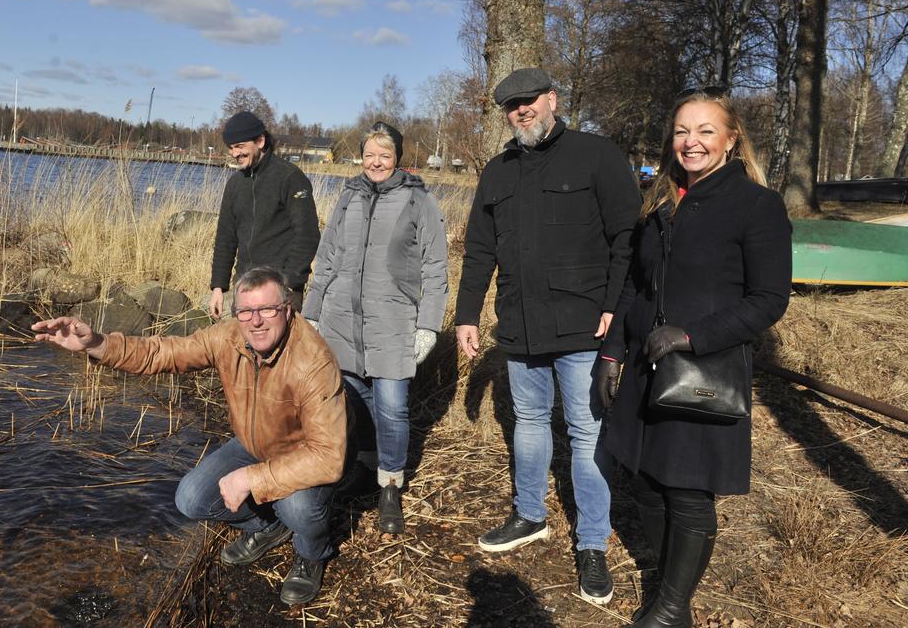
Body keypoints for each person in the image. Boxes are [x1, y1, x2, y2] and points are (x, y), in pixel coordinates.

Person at [32, 266, 346, 606]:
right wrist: (95, 343)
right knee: (191, 498)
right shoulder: (228, 337)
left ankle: (312, 552)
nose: (256, 321)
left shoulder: (313, 363)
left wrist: (251, 478)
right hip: (253, 444)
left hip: (302, 455)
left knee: (299, 508)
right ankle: (268, 528)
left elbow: (328, 457)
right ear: (236, 313)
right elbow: (163, 353)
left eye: (267, 309)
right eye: (245, 311)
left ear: (287, 310)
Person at [596, 88, 791, 627]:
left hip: (702, 370)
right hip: (642, 366)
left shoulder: (757, 206)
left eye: (706, 130)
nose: (692, 141)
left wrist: (692, 336)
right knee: (645, 482)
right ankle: (666, 582)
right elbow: (634, 286)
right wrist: (612, 354)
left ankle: (672, 608)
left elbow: (770, 300)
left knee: (686, 490)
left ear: (731, 140)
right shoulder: (661, 204)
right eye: (683, 130)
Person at [454, 67, 641, 605]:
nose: (521, 110)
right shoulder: (497, 171)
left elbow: (626, 238)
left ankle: (591, 544)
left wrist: (614, 306)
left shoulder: (596, 155)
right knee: (530, 421)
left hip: (585, 325)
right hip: (520, 324)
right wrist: (468, 315)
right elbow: (480, 252)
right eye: (512, 105)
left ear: (552, 99)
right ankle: (531, 515)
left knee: (586, 433)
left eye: (529, 100)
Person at [301, 122, 448, 534]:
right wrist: (312, 311)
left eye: (384, 154)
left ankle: (390, 485)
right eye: (369, 154)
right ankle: (365, 468)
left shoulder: (418, 199)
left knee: (392, 406)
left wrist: (428, 326)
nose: (376, 161)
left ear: (397, 157)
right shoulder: (348, 195)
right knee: (354, 400)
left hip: (392, 322)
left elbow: (436, 268)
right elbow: (327, 257)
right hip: (341, 321)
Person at [208, 111, 321, 319]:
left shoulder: (290, 178)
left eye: (240, 146)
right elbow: (225, 238)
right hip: (244, 287)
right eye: (231, 148)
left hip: (281, 289)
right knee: (243, 349)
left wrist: (288, 283)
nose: (234, 153)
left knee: (282, 351)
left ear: (260, 141)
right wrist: (218, 287)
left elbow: (308, 235)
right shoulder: (234, 185)